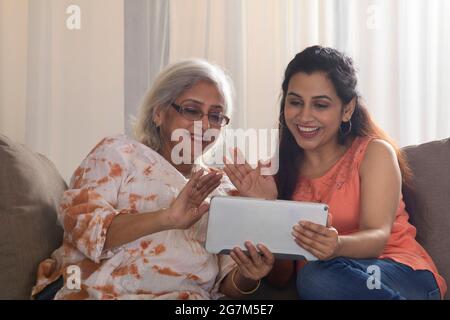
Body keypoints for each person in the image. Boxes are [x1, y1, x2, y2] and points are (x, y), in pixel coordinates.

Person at [32, 59, 274, 300]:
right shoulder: (119, 153)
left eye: (216, 116)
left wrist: (250, 273)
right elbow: (83, 230)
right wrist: (166, 218)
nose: (205, 125)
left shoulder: (222, 187)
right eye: (191, 110)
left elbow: (227, 285)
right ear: (158, 113)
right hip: (102, 292)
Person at [223, 46, 447, 300]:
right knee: (316, 278)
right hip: (332, 282)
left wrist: (337, 246)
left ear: (347, 109)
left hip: (399, 271)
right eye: (295, 102)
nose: (304, 116)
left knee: (316, 277)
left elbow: (377, 237)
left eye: (320, 105)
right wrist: (268, 206)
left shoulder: (373, 153)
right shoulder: (273, 173)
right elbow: (281, 277)